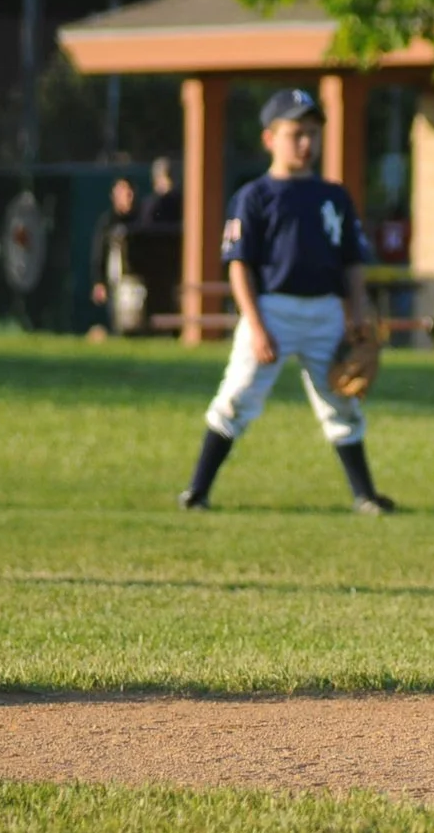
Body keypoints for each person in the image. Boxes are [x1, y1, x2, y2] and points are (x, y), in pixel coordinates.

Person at [178, 89, 395, 514]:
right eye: (296, 133)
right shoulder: (254, 196)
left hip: (325, 311)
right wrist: (255, 325)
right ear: (269, 139)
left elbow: (351, 262)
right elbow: (239, 266)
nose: (306, 143)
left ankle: (365, 495)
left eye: (312, 133)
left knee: (342, 400)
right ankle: (198, 490)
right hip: (271, 309)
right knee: (238, 395)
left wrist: (358, 311)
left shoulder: (333, 196)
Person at [91, 177, 139, 316]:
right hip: (115, 280)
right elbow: (98, 253)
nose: (126, 197)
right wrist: (98, 282)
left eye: (129, 193)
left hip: (135, 280)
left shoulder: (140, 220)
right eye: (122, 192)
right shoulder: (107, 223)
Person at [138, 157, 182, 230]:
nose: (170, 180)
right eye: (167, 175)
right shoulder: (149, 205)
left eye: (172, 175)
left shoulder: (179, 202)